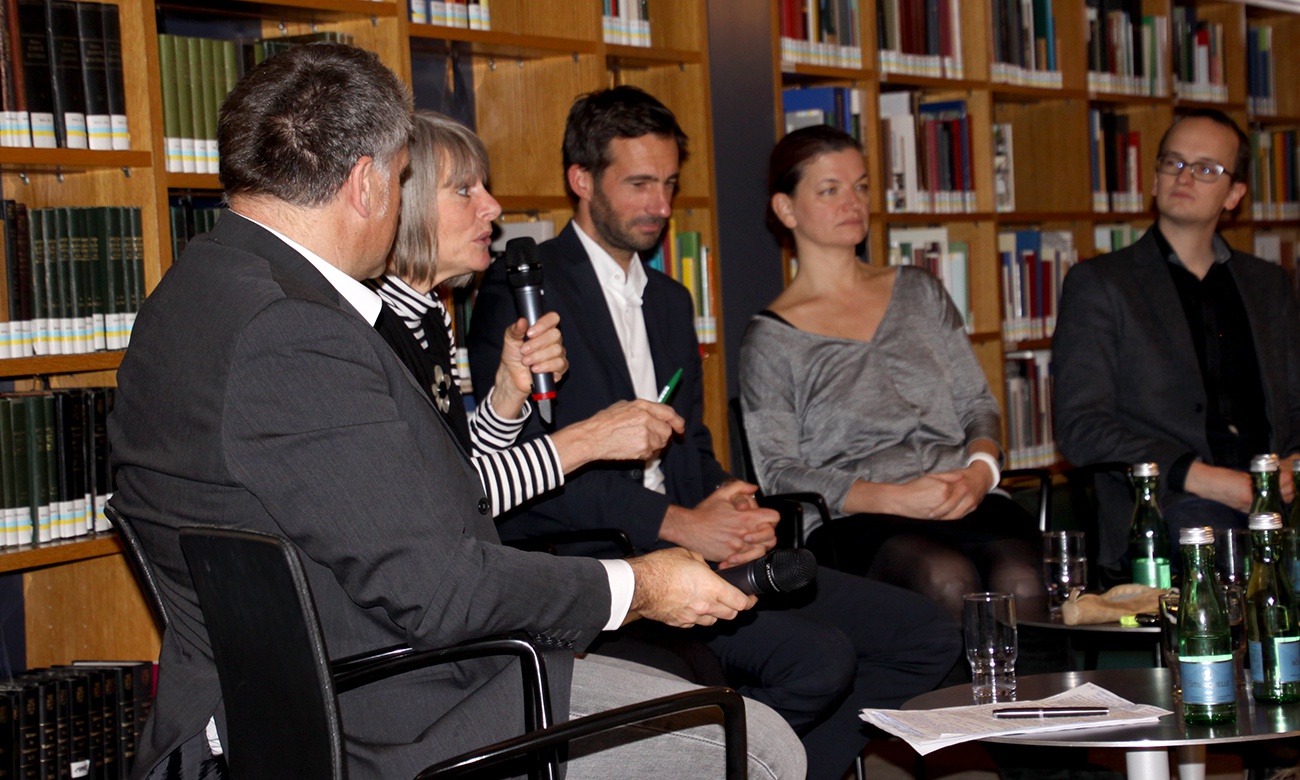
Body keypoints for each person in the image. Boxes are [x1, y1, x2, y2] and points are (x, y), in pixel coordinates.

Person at [107, 43, 805, 780]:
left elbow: (395, 515)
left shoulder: (192, 290)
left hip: (302, 689)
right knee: (761, 746)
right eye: (402, 176)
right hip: (390, 709)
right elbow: (442, 591)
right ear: (366, 183)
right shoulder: (294, 331)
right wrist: (643, 587)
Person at [469, 86, 960, 780]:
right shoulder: (524, 290)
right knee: (821, 659)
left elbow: (689, 443)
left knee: (926, 634)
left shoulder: (671, 300)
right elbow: (527, 477)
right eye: (639, 184)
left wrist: (730, 498)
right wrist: (682, 523)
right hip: (605, 569)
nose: (661, 205)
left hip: (695, 547)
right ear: (581, 179)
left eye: (670, 185)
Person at [737, 125, 1042, 625]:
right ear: (786, 209)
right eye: (830, 190)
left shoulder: (919, 290)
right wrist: (894, 497)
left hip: (962, 493)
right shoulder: (771, 339)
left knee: (1022, 580)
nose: (852, 202)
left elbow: (976, 403)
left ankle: (1028, 683)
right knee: (945, 577)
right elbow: (779, 471)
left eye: (860, 186)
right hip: (858, 519)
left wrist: (979, 474)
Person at [367, 110, 685, 519]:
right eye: (464, 190)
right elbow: (436, 501)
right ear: (405, 204)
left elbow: (461, 465)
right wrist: (591, 440)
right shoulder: (369, 325)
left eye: (485, 187)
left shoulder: (431, 316)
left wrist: (506, 394)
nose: (493, 207)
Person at [1053, 109, 1300, 578]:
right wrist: (1198, 476)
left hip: (1275, 496)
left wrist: (1291, 467)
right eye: (1174, 162)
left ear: (1234, 194)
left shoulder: (1268, 285)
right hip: (1170, 504)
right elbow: (1081, 427)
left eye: (1206, 168)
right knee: (1211, 540)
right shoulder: (1101, 284)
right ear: (1154, 180)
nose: (1184, 177)